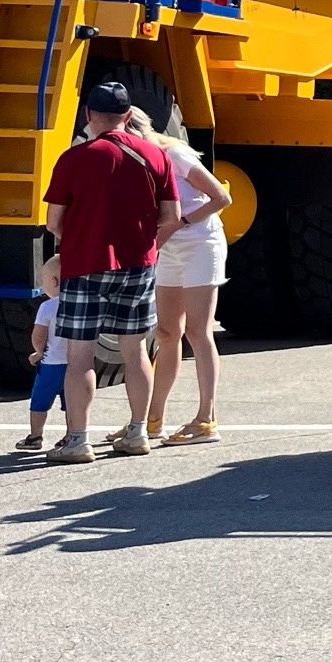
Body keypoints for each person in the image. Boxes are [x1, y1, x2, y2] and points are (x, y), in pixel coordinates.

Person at [39, 80, 178, 465]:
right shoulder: (155, 155)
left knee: (80, 355)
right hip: (138, 264)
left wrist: (78, 238)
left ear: (88, 116)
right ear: (128, 115)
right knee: (136, 352)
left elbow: (54, 221)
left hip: (85, 263)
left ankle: (78, 440)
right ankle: (137, 431)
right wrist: (146, 244)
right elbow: (171, 217)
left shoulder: (75, 158)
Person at [124, 107, 233, 448]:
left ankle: (206, 419)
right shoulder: (133, 159)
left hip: (201, 242)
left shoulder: (175, 154)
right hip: (167, 248)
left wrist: (180, 223)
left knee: (199, 331)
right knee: (168, 332)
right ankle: (153, 419)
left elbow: (221, 197)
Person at [16, 255, 67, 452]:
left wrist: (38, 353)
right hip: (75, 364)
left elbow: (39, 337)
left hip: (52, 364)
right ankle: (72, 434)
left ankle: (35, 436)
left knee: (40, 400)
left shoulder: (48, 306)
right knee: (72, 402)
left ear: (53, 281)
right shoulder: (78, 304)